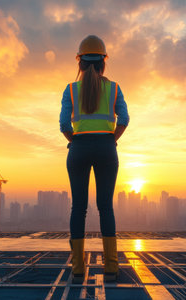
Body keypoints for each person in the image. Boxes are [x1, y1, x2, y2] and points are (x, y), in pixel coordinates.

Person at [59, 35, 129, 282]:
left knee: (78, 208)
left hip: (78, 149)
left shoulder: (70, 90)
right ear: (103, 63)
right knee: (105, 207)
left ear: (80, 62)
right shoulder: (114, 89)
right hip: (106, 149)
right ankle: (111, 267)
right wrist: (112, 139)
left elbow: (63, 124)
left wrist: (74, 140)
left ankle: (78, 268)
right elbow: (125, 119)